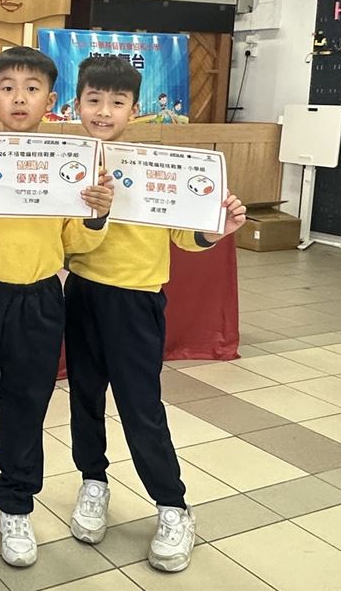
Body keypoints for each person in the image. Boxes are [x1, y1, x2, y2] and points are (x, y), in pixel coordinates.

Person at [64, 55, 246, 573]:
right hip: (82, 293)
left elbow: (184, 236)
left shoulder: (155, 165)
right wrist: (93, 214)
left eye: (116, 102)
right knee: (84, 399)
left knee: (141, 406)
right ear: (76, 104)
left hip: (137, 300)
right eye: (94, 100)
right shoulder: (68, 163)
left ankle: (173, 506)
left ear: (134, 108)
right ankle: (93, 482)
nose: (104, 111)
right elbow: (63, 241)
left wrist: (214, 230)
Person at [0, 46, 114, 567]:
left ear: (51, 100)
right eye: (8, 88)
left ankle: (16, 503)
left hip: (39, 299)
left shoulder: (67, 166)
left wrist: (94, 216)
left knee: (26, 404)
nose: (20, 98)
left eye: (32, 88)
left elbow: (75, 245)